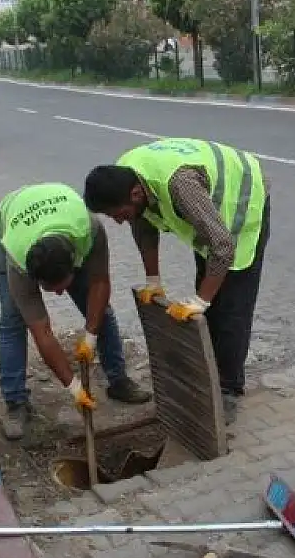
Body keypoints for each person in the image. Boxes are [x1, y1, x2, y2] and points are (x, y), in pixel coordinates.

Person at [83, 138, 271, 425]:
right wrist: (153, 281)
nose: (119, 221)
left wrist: (200, 301)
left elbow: (222, 247)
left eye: (117, 215)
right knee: (208, 299)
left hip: (242, 202)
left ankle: (229, 389)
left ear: (135, 194)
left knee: (230, 307)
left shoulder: (180, 186)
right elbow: (142, 224)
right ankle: (211, 376)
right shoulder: (126, 177)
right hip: (210, 220)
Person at [0, 182, 150, 440]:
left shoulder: (89, 230)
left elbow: (101, 282)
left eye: (61, 286)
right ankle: (15, 404)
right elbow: (42, 332)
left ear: (76, 264)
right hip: (12, 224)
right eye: (48, 288)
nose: (57, 294)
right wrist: (74, 387)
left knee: (99, 309)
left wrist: (91, 335)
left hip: (63, 218)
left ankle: (118, 380)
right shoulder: (18, 259)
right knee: (13, 321)